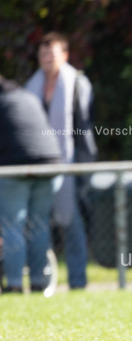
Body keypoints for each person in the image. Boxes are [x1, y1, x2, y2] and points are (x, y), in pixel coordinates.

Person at [24, 31, 97, 290]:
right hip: (40, 166)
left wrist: (83, 170)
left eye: (51, 53)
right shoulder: (31, 87)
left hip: (70, 165)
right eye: (42, 54)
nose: (46, 58)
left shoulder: (78, 83)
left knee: (73, 224)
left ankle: (78, 281)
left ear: (64, 55)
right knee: (38, 224)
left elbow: (85, 130)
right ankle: (40, 281)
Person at [0, 76, 62, 293]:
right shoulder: (26, 97)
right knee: (39, 224)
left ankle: (15, 284)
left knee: (12, 226)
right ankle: (38, 282)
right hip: (50, 164)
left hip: (16, 167)